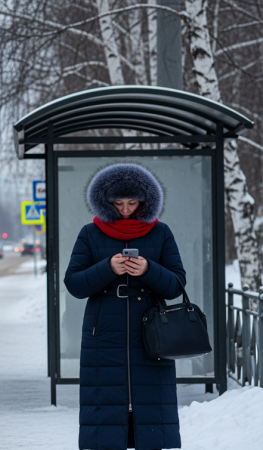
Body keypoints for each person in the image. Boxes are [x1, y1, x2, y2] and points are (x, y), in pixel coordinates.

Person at [64, 163, 186, 450]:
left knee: (152, 410)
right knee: (104, 410)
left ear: (145, 201)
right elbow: (74, 284)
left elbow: (176, 285)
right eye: (118, 203)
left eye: (132, 202)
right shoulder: (90, 233)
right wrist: (108, 268)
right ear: (105, 201)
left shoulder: (161, 232)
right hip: (103, 332)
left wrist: (147, 269)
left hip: (154, 332)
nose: (126, 209)